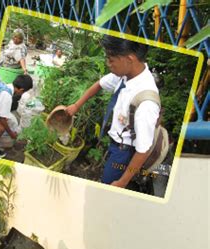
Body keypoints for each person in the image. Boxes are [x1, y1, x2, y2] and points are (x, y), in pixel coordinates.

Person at [65, 35, 159, 188]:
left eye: (111, 59)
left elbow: (143, 150)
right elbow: (99, 84)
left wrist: (122, 182)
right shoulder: (126, 75)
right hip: (115, 143)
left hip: (125, 152)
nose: (108, 64)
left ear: (129, 59)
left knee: (109, 185)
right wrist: (77, 105)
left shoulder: (146, 102)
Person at [0, 74, 33, 156]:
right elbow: (2, 119)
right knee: (0, 129)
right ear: (21, 89)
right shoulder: (7, 96)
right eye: (23, 92)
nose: (21, 94)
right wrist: (11, 134)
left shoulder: (7, 86)